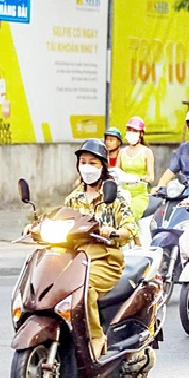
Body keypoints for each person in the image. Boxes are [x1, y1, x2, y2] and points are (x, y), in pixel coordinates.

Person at [67, 140, 138, 357]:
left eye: (93, 163)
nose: (87, 167)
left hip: (106, 260)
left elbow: (130, 229)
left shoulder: (115, 197)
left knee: (83, 289)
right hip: (77, 259)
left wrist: (112, 232)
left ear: (103, 166)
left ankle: (96, 339)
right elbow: (64, 220)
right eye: (83, 162)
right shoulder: (73, 197)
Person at [117, 116, 154, 224]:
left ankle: (137, 241)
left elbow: (151, 177)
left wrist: (139, 179)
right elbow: (116, 172)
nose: (131, 133)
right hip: (122, 193)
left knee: (129, 215)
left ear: (141, 134)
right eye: (129, 130)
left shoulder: (146, 152)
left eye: (135, 131)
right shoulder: (122, 152)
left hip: (139, 195)